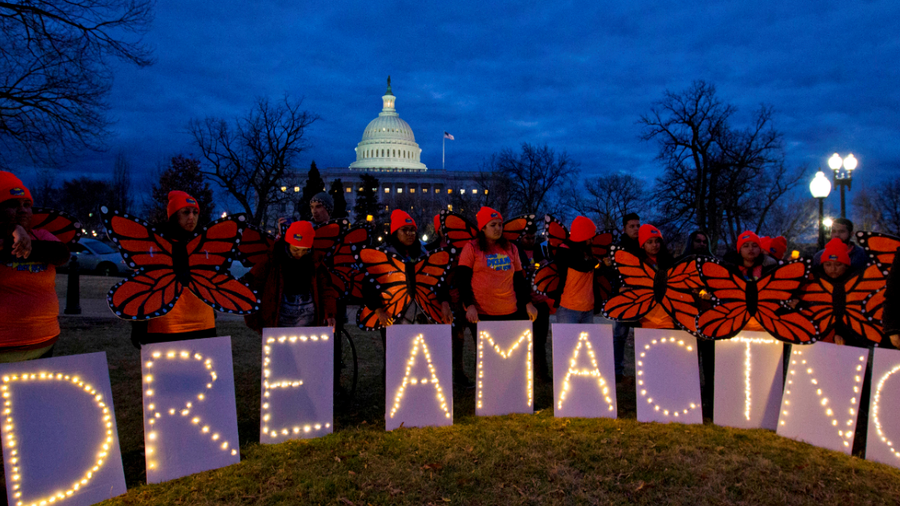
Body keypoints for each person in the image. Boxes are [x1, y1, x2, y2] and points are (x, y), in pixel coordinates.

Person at [362, 210, 453, 373]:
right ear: (395, 232)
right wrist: (378, 310)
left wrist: (444, 303)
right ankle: (392, 392)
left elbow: (438, 281)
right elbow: (369, 285)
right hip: (393, 313)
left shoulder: (424, 254)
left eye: (412, 230)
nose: (410, 233)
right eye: (405, 230)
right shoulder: (383, 255)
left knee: (424, 354)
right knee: (395, 356)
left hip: (422, 313)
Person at [0, 172, 70, 362]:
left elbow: (61, 254)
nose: (22, 210)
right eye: (13, 204)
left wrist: (27, 242)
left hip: (44, 340)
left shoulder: (41, 235)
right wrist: (11, 232)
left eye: (27, 205)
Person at [131, 191, 216, 347]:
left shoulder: (203, 244)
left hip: (203, 323)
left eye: (195, 212)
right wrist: (138, 325)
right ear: (174, 215)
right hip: (166, 326)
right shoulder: (155, 245)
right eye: (186, 212)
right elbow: (140, 286)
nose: (192, 217)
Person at [243, 220, 337, 332]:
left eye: (305, 250)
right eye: (296, 250)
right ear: (288, 244)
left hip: (309, 324)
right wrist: (254, 320)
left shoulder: (315, 262)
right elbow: (252, 286)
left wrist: (329, 313)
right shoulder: (271, 260)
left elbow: (326, 289)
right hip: (278, 324)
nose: (300, 254)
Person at [456, 207, 538, 323]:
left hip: (509, 311)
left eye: (500, 225)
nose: (498, 228)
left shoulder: (511, 248)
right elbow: (462, 280)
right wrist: (469, 305)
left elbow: (519, 280)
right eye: (493, 225)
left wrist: (528, 303)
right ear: (483, 228)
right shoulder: (471, 248)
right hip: (481, 313)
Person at [517, 223, 554, 382]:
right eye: (527, 238)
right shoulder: (515, 251)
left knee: (539, 342)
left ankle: (541, 374)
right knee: (520, 341)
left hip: (540, 303)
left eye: (533, 237)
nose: (530, 241)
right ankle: (521, 375)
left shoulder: (540, 250)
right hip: (522, 303)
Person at [551, 216, 600, 324]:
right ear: (582, 236)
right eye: (590, 237)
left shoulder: (588, 252)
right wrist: (597, 263)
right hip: (568, 308)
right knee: (568, 341)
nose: (592, 241)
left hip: (588, 308)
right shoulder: (564, 250)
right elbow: (581, 265)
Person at [610, 212, 641, 385]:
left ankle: (646, 371)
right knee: (620, 335)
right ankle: (617, 373)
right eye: (632, 226)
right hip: (624, 296)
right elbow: (612, 273)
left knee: (645, 333)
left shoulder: (643, 245)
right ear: (624, 228)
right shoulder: (619, 247)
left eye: (638, 225)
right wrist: (617, 289)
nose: (636, 229)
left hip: (643, 296)